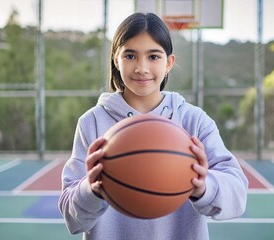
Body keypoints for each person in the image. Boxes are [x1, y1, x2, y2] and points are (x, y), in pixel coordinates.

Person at [59, 12, 248, 240]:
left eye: (153, 56)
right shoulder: (92, 123)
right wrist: (90, 188)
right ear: (115, 61)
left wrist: (203, 185)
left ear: (169, 63)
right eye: (130, 55)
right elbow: (72, 219)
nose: (142, 68)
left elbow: (238, 196)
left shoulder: (194, 121)